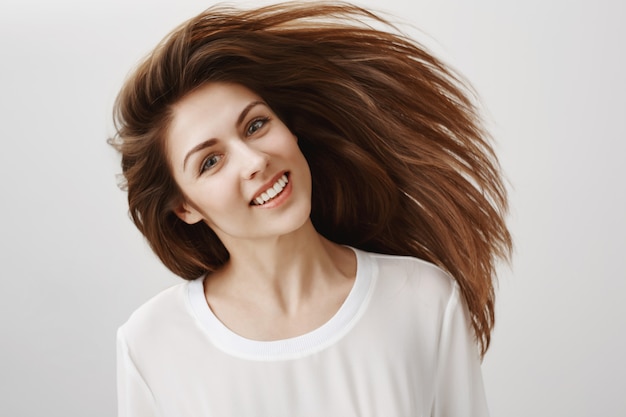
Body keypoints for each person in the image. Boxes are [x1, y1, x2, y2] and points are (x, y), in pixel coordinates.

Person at [110, 2, 512, 416]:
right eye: (210, 161)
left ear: (290, 129)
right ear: (184, 206)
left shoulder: (424, 299)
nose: (254, 161)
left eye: (256, 125)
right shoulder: (152, 343)